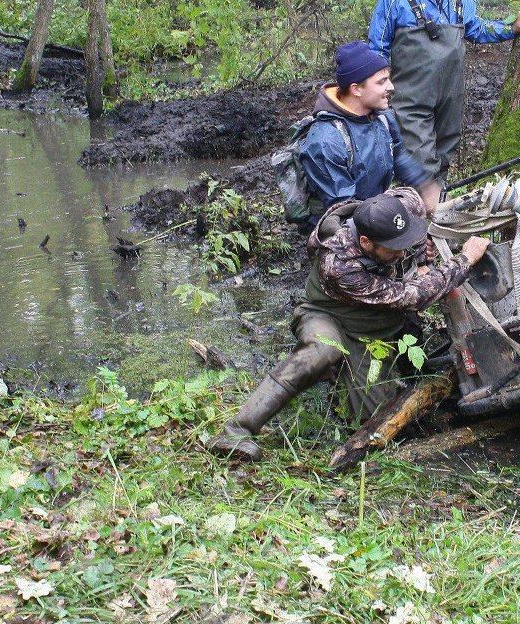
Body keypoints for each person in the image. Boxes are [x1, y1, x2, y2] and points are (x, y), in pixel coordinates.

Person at [210, 188, 490, 461]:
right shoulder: (340, 265)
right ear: (366, 242)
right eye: (393, 249)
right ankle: (237, 429)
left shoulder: (396, 208)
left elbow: (415, 207)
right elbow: (412, 296)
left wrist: (422, 256)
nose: (401, 253)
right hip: (331, 318)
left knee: (383, 404)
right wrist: (465, 259)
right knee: (326, 355)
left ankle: (350, 370)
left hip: (381, 324)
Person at [368, 0, 520, 186]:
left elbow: (475, 28)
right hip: (411, 96)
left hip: (450, 94)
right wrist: (378, 89)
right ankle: (417, 211)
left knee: (445, 151)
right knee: (419, 157)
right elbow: (378, 46)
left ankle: (439, 205)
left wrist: (511, 28)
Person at [300, 41, 439, 228]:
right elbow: (344, 209)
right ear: (356, 88)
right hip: (342, 230)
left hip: (373, 212)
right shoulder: (326, 142)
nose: (391, 87)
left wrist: (426, 186)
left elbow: (398, 156)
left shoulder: (383, 118)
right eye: (382, 81)